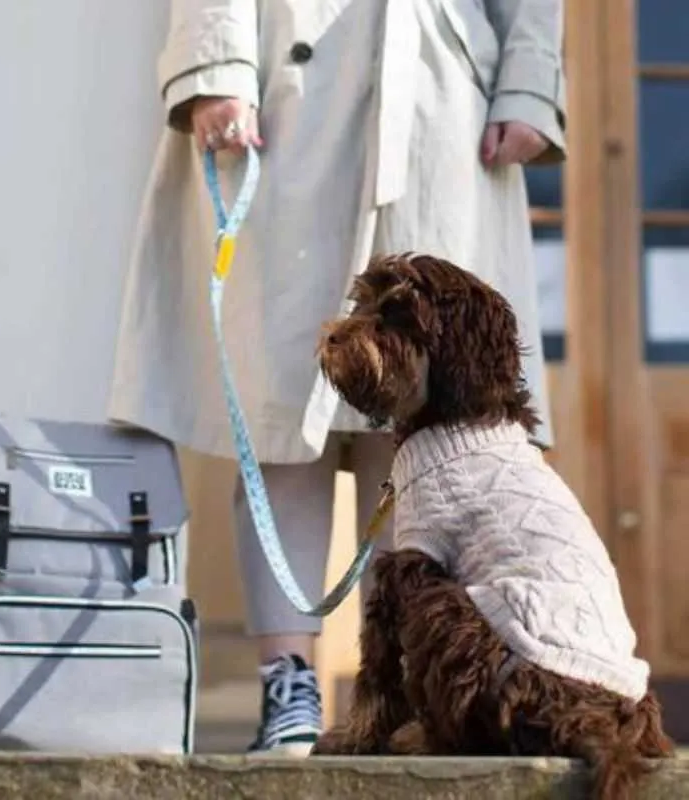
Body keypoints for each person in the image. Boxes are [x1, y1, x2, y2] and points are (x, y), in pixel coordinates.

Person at [108, 0, 566, 756]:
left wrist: (526, 83)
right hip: (289, 92)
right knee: (286, 419)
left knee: (421, 426)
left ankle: (399, 694)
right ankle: (287, 684)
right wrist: (215, 65)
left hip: (439, 97)